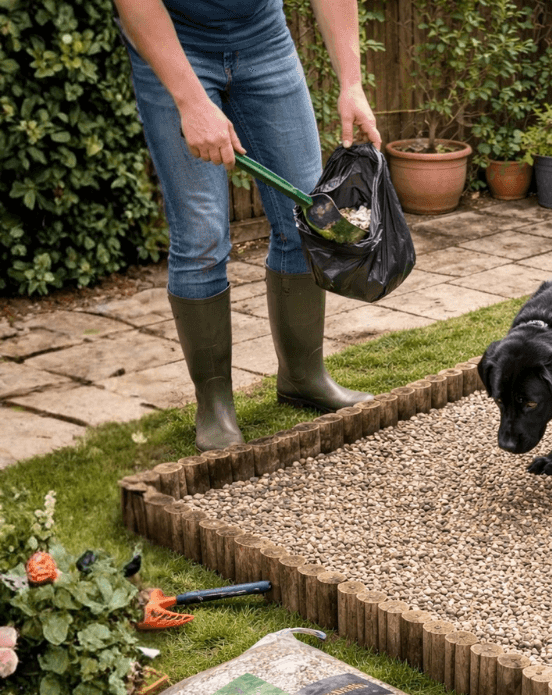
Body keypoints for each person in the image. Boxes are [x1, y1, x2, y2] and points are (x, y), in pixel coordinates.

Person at [114, 0, 381, 450]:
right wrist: (192, 102)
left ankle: (303, 376)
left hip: (263, 36)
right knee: (202, 236)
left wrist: (351, 83)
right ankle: (215, 404)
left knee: (305, 219)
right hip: (176, 43)